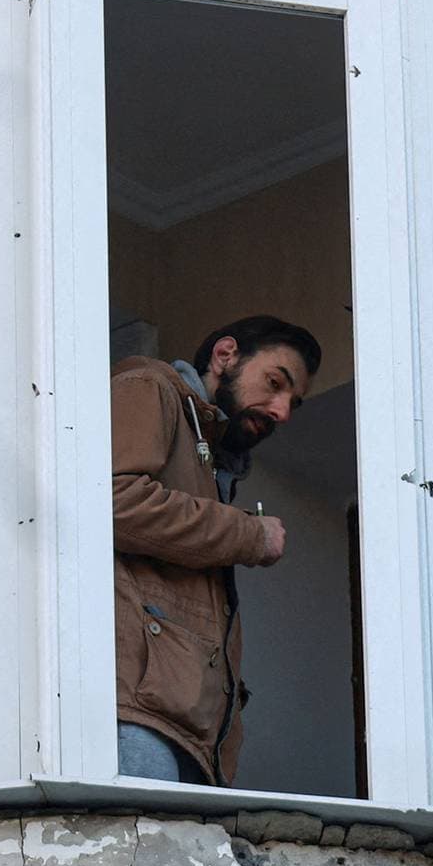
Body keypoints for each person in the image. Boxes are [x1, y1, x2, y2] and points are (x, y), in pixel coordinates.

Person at [109, 315, 320, 785]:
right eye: (275, 383)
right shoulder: (151, 386)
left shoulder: (211, 455)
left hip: (187, 727)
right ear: (225, 356)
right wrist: (250, 535)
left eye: (292, 402)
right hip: (139, 715)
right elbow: (114, 500)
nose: (282, 412)